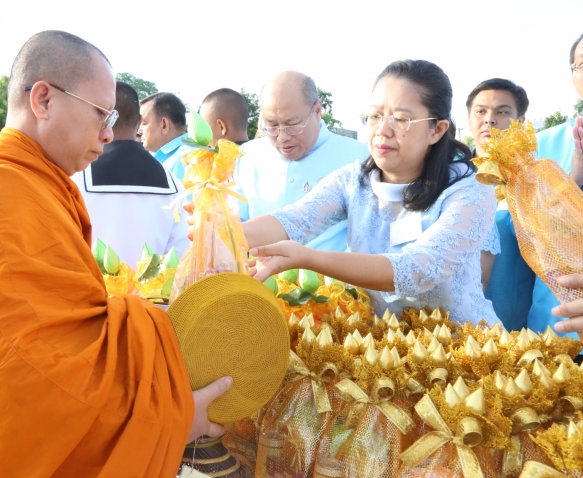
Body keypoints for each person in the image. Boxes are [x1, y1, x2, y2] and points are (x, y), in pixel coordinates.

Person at [0, 30, 230, 477]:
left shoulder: (35, 184)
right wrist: (173, 415)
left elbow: (65, 326)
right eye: (100, 113)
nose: (107, 132)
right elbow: (31, 371)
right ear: (43, 100)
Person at [227, 60, 500, 323]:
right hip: (379, 349)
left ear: (437, 130)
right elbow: (294, 219)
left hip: (463, 352)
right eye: (375, 116)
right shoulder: (354, 181)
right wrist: (219, 229)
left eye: (401, 119)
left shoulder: (470, 190)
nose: (382, 130)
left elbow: (417, 269)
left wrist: (310, 258)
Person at [235, 71, 369, 252]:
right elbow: (237, 224)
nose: (282, 137)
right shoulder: (247, 155)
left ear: (318, 110)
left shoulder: (359, 156)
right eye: (272, 125)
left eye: (292, 124)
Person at [72, 81, 190, 266]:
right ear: (138, 122)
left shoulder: (73, 179)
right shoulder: (175, 187)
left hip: (86, 293)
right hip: (154, 295)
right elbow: (182, 259)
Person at [511, 33, 583, 333]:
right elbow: (532, 237)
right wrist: (575, 180)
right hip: (555, 326)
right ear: (573, 74)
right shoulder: (536, 148)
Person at [466, 78, 531, 330]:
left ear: (520, 122)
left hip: (510, 328)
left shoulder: (533, 181)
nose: (489, 120)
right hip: (448, 325)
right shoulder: (446, 178)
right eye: (480, 111)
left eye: (502, 112)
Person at [139, 92, 195, 180]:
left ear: (164, 125)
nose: (139, 131)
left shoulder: (187, 157)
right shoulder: (162, 156)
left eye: (144, 123)